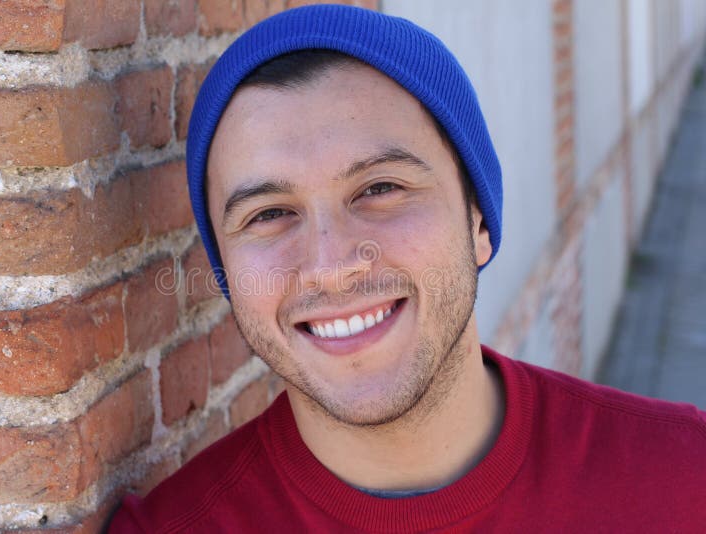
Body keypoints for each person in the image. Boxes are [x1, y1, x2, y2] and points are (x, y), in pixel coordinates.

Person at [109, 5, 706, 532]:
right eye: (269, 214)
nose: (331, 266)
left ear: (477, 221)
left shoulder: (684, 480)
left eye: (381, 187)